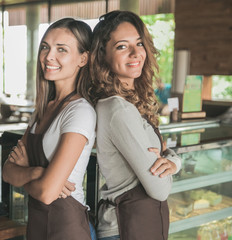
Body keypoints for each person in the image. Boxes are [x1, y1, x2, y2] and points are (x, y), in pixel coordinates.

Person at [89, 11, 182, 240]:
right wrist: (168, 160)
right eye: (122, 46)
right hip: (125, 228)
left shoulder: (127, 104)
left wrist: (172, 161)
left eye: (139, 43)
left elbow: (163, 156)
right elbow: (160, 190)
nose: (135, 53)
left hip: (133, 226)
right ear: (102, 55)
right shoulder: (118, 109)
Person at [2, 18, 96, 240]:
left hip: (67, 229)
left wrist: (25, 175)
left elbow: (46, 193)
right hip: (36, 226)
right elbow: (7, 172)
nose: (48, 56)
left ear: (83, 58)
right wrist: (37, 173)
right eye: (45, 47)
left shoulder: (80, 112)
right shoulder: (42, 109)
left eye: (61, 49)